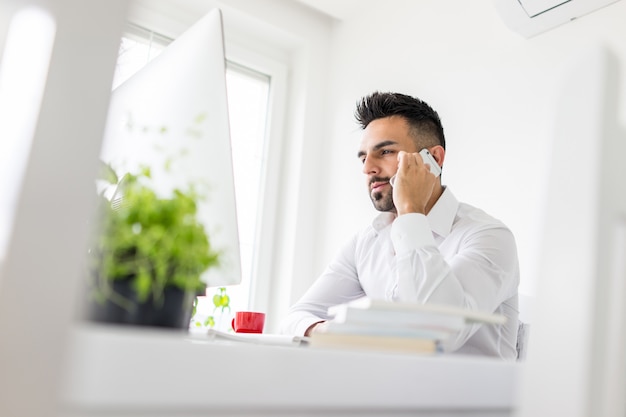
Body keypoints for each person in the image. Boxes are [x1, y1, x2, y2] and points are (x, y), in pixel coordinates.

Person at [279, 91, 520, 359]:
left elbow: (439, 333)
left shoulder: (488, 236)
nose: (367, 168)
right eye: (363, 157)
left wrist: (410, 212)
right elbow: (295, 318)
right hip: (384, 395)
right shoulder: (366, 242)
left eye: (385, 151)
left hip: (465, 399)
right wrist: (327, 331)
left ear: (434, 159)